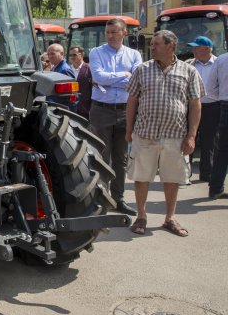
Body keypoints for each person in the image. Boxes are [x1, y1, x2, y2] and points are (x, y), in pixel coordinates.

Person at [125, 30, 204, 236]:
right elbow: (132, 101)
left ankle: (170, 218)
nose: (152, 47)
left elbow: (195, 105)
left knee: (172, 178)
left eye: (156, 44)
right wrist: (129, 130)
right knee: (141, 177)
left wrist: (192, 136)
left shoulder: (189, 71)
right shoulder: (142, 69)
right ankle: (141, 216)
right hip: (145, 134)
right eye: (152, 44)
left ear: (171, 47)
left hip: (175, 135)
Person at [89, 18, 143, 216]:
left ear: (124, 33)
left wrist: (114, 78)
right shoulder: (96, 52)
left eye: (114, 31)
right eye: (108, 32)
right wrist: (125, 76)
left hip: (125, 110)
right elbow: (98, 77)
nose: (110, 35)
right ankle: (100, 198)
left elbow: (137, 79)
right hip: (101, 111)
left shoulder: (134, 54)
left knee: (120, 158)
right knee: (101, 157)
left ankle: (118, 198)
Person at [186, 36, 219, 183]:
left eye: (196, 47)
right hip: (192, 107)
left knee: (209, 141)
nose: (193, 50)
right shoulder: (189, 64)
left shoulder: (219, 63)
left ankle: (206, 174)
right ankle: (185, 173)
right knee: (188, 139)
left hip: (212, 107)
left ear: (206, 49)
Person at [206, 38, 228, 199]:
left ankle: (215, 187)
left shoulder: (221, 60)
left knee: (222, 150)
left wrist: (221, 97)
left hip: (224, 106)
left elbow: (210, 88)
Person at [71, 46, 93, 118]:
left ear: (82, 54)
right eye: (70, 55)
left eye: (74, 55)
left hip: (85, 108)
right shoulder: (68, 70)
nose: (72, 57)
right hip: (70, 107)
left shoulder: (89, 69)